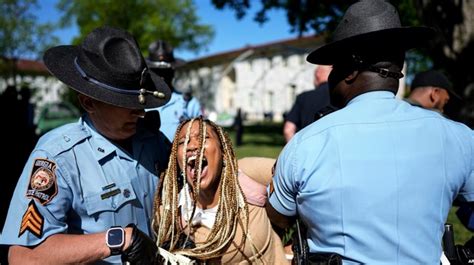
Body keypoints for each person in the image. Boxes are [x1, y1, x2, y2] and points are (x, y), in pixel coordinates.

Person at [266, 0, 474, 264]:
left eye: (334, 68)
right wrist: (465, 255)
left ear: (351, 70)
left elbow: (275, 219)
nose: (330, 78)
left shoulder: (305, 144)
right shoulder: (460, 138)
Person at [0, 26, 172, 264]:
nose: (141, 111)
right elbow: (23, 257)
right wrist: (117, 240)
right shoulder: (57, 157)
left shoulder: (154, 141)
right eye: (125, 102)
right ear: (88, 102)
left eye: (138, 100)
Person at [152, 117, 288, 264]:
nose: (191, 146)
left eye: (203, 137)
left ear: (223, 152)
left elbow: (301, 175)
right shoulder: (173, 213)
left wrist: (294, 244)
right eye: (182, 142)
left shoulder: (246, 175)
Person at [146, 40, 202, 141]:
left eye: (166, 72)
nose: (162, 77)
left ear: (173, 72)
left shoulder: (188, 102)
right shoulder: (141, 101)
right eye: (157, 72)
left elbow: (201, 133)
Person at [283, 65, 333, 142]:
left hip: (307, 147)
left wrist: (295, 150)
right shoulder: (341, 96)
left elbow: (288, 130)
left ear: (317, 74)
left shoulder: (304, 97)